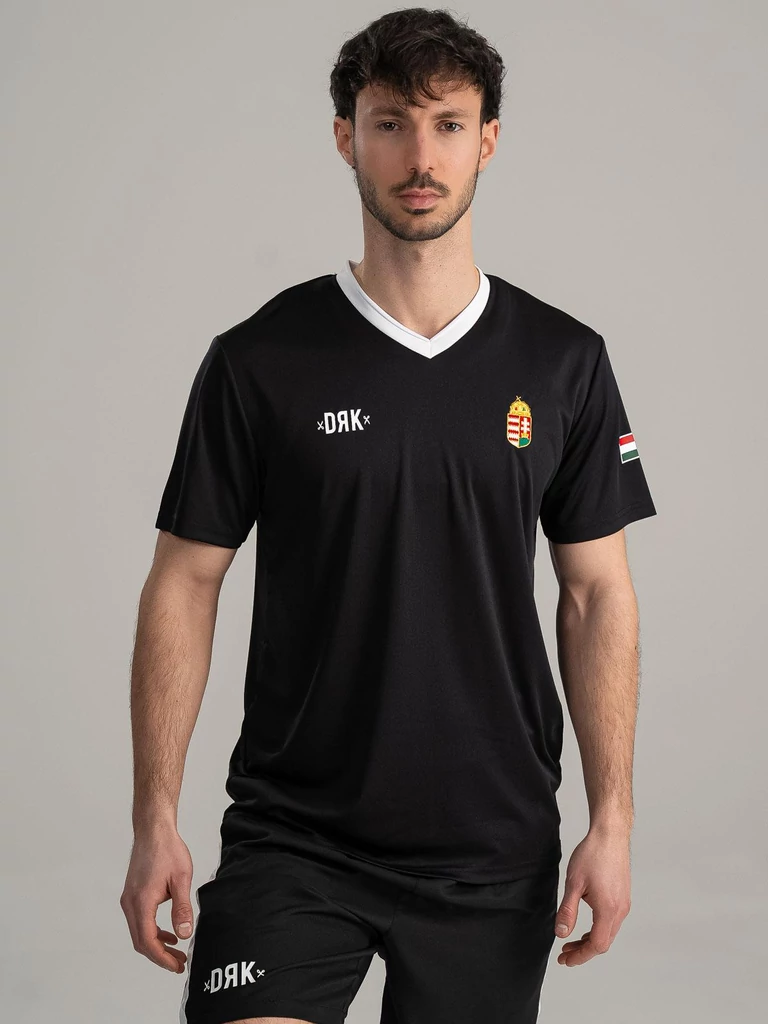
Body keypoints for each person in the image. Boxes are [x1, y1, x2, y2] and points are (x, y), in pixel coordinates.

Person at [120, 8, 657, 1024]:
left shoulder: (564, 361)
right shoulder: (260, 359)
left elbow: (596, 594)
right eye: (390, 123)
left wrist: (613, 820)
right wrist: (155, 814)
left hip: (491, 846)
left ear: (488, 140)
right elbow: (184, 580)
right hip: (295, 834)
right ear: (345, 137)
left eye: (448, 124)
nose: (421, 157)